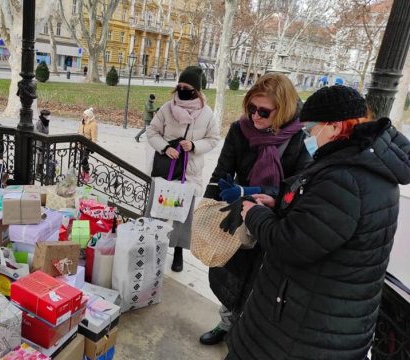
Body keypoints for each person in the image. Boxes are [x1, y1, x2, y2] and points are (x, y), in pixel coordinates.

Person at [227, 85, 410, 360]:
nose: (307, 136)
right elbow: (322, 224)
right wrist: (280, 205)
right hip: (322, 316)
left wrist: (253, 213)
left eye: (310, 128)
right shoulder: (361, 166)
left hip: (305, 328)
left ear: (334, 127)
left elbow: (291, 243)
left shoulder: (346, 178)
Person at [200, 73, 311, 347]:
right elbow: (222, 170)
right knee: (230, 273)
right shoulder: (241, 130)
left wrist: (265, 196)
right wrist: (207, 208)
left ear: (282, 109)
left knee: (260, 284)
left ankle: (245, 334)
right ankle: (226, 324)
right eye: (251, 108)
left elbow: (301, 184)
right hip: (240, 212)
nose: (255, 117)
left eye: (263, 111)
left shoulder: (301, 137)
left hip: (276, 221)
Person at [146, 65, 221, 272]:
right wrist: (165, 147)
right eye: (179, 85)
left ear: (196, 90)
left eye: (187, 86)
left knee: (183, 214)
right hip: (166, 169)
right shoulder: (166, 108)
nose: (182, 89)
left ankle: (178, 251)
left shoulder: (207, 114)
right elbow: (152, 132)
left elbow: (214, 139)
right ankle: (152, 247)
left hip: (189, 172)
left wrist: (194, 146)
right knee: (157, 209)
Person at [35, 109, 56, 183]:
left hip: (45, 143)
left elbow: (47, 133)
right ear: (44, 116)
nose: (49, 117)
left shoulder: (46, 122)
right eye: (48, 115)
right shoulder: (39, 123)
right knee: (40, 158)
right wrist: (40, 146)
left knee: (43, 158)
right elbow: (39, 135)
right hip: (40, 144)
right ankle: (38, 173)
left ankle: (40, 172)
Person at [78, 107, 98, 183]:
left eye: (85, 115)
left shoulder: (93, 124)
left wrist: (92, 147)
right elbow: (79, 131)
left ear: (89, 116)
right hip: (81, 143)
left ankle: (86, 175)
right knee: (81, 159)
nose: (83, 116)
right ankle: (83, 173)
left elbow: (94, 137)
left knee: (84, 160)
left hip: (88, 145)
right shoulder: (83, 122)